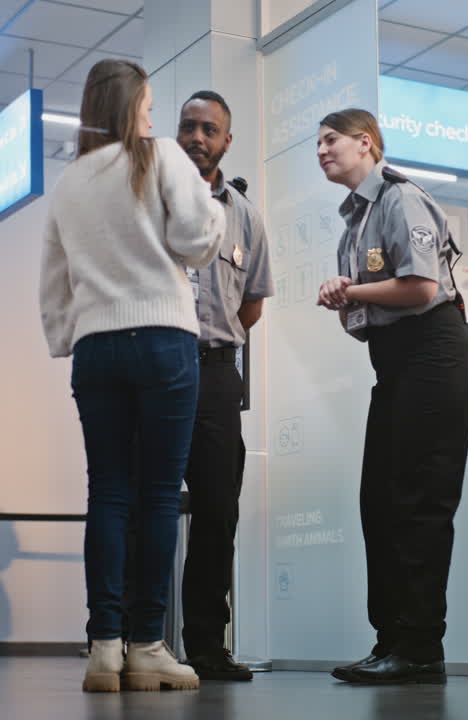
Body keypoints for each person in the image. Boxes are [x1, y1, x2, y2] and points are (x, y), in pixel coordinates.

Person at [39, 58, 226, 693]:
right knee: (159, 496)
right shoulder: (162, 156)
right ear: (131, 108)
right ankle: (147, 645)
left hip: (97, 349)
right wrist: (214, 213)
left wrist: (66, 337)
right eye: (147, 107)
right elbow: (196, 239)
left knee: (109, 494)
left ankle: (103, 648)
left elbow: (54, 279)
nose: (152, 117)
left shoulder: (69, 181)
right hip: (165, 341)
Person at [313, 109, 468, 685]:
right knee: (379, 503)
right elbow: (361, 323)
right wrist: (344, 297)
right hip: (394, 361)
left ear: (366, 143)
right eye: (317, 143)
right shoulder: (353, 222)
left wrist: (352, 290)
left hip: (434, 353)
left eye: (330, 140)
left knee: (418, 502)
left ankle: (420, 648)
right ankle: (391, 640)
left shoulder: (399, 198)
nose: (321, 150)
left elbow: (422, 287)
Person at [173, 90, 273, 681]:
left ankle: (208, 645)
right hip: (159, 367)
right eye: (189, 126)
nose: (197, 137)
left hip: (215, 373)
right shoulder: (152, 194)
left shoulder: (245, 216)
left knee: (217, 511)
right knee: (145, 504)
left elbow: (251, 304)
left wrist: (216, 336)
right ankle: (129, 639)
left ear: (226, 141)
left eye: (209, 129)